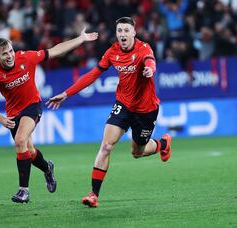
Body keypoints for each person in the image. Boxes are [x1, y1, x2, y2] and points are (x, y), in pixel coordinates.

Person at [46, 17, 172, 208]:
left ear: (134, 33)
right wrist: (66, 94)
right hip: (123, 105)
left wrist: (149, 70)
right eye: (119, 30)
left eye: (126, 30)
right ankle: (93, 195)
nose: (122, 34)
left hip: (146, 109)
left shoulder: (144, 48)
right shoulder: (112, 52)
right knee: (106, 146)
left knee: (137, 152)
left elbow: (150, 61)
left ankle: (163, 143)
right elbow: (92, 75)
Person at [0, 28, 98, 204]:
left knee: (20, 141)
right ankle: (47, 168)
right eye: (5, 54)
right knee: (29, 151)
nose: (10, 56)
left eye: (11, 51)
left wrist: (80, 39)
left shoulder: (26, 57)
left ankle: (24, 190)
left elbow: (56, 50)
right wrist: (1, 119)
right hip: (13, 113)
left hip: (32, 106)